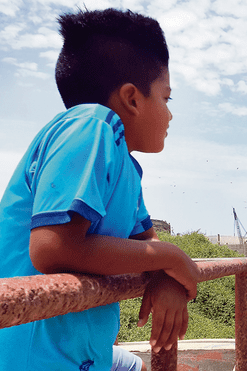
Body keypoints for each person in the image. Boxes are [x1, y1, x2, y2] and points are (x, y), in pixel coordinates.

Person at [0, 8, 199, 371]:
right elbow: (52, 248)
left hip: (83, 354)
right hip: (31, 356)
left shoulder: (126, 166)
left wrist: (167, 278)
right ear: (132, 98)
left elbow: (146, 246)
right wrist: (170, 259)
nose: (170, 115)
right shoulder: (90, 126)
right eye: (166, 99)